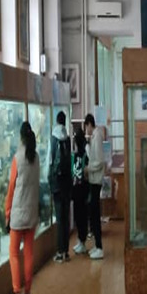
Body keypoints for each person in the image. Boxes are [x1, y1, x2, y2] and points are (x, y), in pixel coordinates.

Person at [5, 122, 41, 294]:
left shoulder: (17, 158)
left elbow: (11, 188)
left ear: (20, 137)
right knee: (28, 254)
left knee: (13, 253)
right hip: (31, 213)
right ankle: (27, 293)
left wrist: (7, 212)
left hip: (18, 215)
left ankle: (17, 293)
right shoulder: (36, 157)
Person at [80, 114, 106, 259]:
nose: (86, 131)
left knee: (95, 215)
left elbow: (99, 161)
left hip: (96, 181)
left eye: (86, 127)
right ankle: (97, 245)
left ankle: (100, 247)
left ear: (89, 124)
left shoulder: (97, 137)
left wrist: (88, 169)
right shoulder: (94, 138)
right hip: (93, 180)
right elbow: (94, 158)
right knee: (93, 214)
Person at [50, 111, 73, 262]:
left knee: (59, 218)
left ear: (56, 121)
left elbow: (50, 160)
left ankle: (59, 252)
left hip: (57, 184)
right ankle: (66, 251)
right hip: (67, 183)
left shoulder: (53, 138)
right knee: (66, 217)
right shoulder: (68, 139)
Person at [71, 126, 90, 255]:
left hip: (79, 188)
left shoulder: (81, 155)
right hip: (81, 188)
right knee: (80, 216)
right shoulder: (80, 155)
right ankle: (80, 240)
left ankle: (82, 241)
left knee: (80, 216)